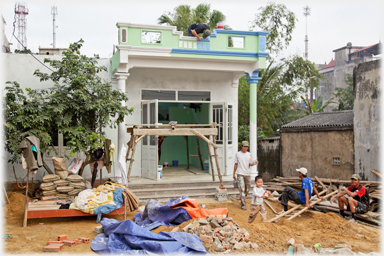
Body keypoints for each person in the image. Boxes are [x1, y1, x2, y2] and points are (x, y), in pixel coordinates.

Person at [233, 141, 258, 210]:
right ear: (241, 146)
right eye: (244, 146)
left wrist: (254, 163)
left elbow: (250, 164)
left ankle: (242, 198)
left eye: (246, 147)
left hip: (247, 173)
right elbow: (235, 164)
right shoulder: (237, 154)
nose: (245, 148)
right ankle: (243, 204)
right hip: (240, 173)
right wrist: (233, 173)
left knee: (247, 189)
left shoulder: (249, 155)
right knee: (242, 189)